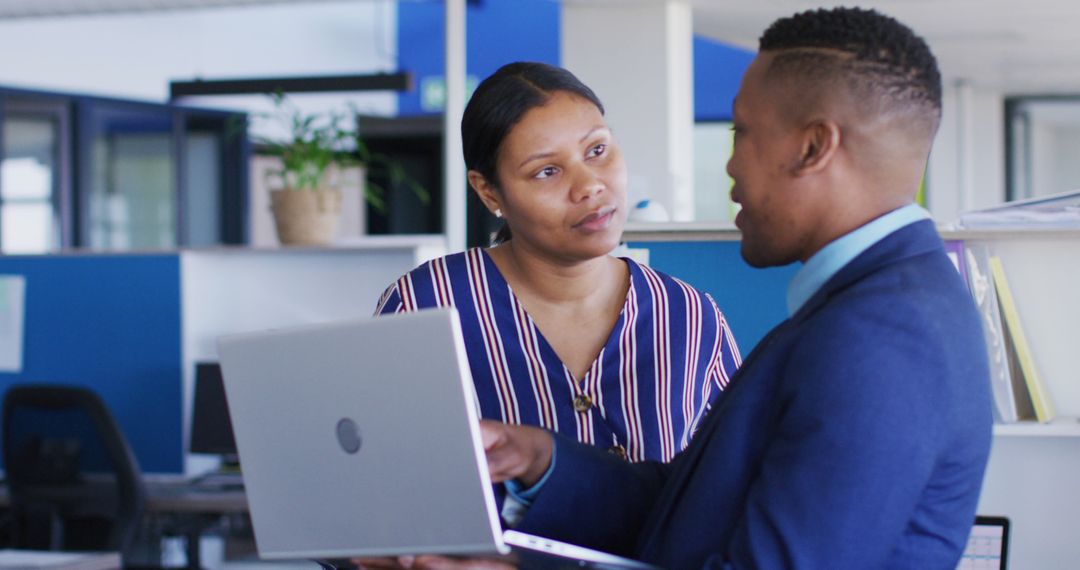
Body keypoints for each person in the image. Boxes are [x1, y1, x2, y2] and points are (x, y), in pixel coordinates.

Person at [469, 7, 993, 570]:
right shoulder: (874, 307)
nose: (731, 166)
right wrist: (545, 461)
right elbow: (696, 506)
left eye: (742, 134)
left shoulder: (882, 335)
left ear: (813, 148)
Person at [373, 62, 741, 466]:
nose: (589, 186)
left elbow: (731, 485)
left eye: (597, 150)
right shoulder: (426, 305)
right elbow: (386, 473)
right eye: (546, 171)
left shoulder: (688, 317)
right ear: (488, 191)